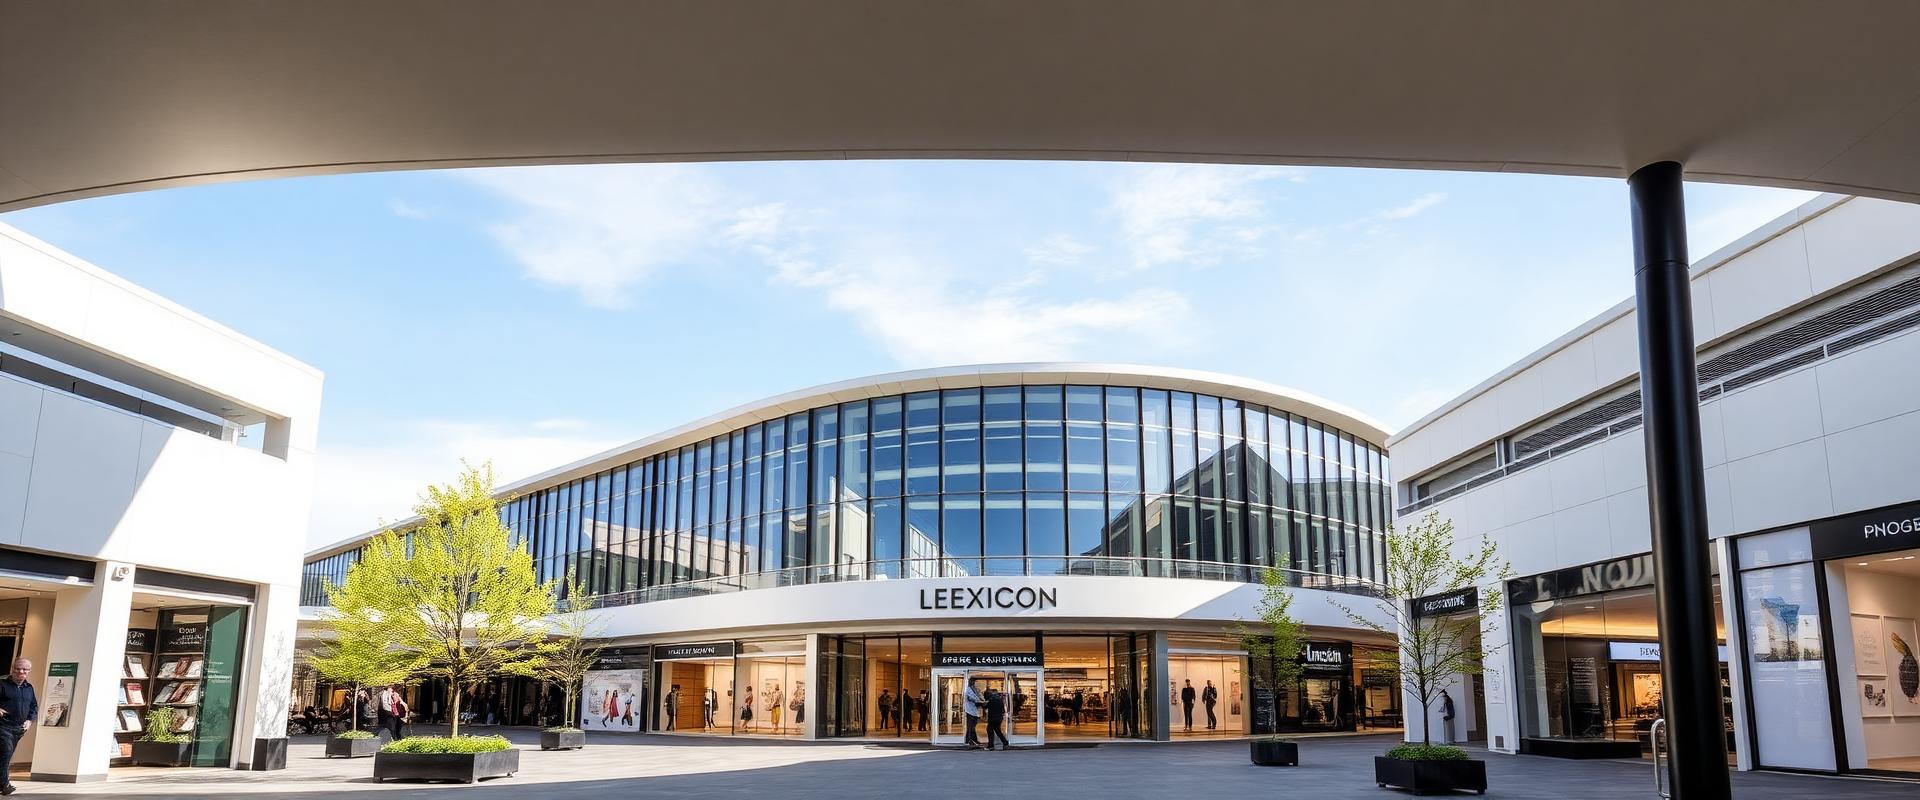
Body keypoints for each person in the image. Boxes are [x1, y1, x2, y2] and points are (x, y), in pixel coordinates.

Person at [0, 658, 36, 796]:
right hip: (3, 726)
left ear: (28, 671)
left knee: (5, 756)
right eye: (18, 668)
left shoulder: (29, 688)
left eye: (24, 669)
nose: (21, 671)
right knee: (6, 752)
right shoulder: (2, 684)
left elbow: (33, 707)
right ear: (12, 669)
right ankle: (4, 785)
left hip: (18, 729)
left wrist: (29, 720)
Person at [983, 685, 1009, 751]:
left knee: (990, 731)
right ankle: (1005, 742)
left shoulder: (991, 700)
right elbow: (1003, 710)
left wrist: (979, 704)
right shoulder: (1000, 700)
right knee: (998, 731)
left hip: (992, 718)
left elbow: (985, 707)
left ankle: (991, 746)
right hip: (999, 718)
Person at [962, 679, 984, 749]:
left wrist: (981, 700)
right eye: (973, 682)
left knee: (973, 726)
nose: (974, 683)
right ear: (970, 682)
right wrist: (978, 701)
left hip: (974, 710)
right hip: (969, 710)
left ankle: (973, 739)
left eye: (974, 682)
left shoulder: (973, 689)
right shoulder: (967, 689)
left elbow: (976, 697)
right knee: (970, 726)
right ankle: (968, 740)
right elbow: (969, 698)